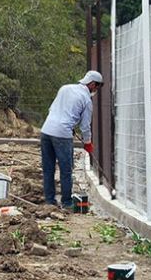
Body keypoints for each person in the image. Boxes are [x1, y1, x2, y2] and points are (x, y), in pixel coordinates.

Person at [40, 70, 102, 208]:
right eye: (97, 87)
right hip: (62, 134)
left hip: (46, 130)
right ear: (92, 84)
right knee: (66, 169)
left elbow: (53, 109)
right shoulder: (86, 100)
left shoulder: (65, 88)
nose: (96, 90)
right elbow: (85, 126)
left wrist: (70, 124)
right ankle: (67, 202)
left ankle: (49, 201)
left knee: (48, 168)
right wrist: (88, 143)